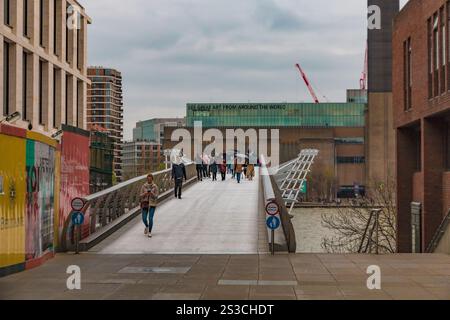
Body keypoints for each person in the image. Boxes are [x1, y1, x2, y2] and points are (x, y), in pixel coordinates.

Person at [140, 174, 159, 238]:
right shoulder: (143, 186)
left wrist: (151, 193)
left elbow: (156, 196)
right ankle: (147, 226)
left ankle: (150, 232)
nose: (149, 180)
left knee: (150, 218)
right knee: (144, 218)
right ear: (147, 179)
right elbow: (140, 195)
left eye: (150, 179)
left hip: (152, 204)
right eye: (148, 179)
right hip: (145, 203)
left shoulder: (155, 186)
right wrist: (145, 193)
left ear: (152, 179)